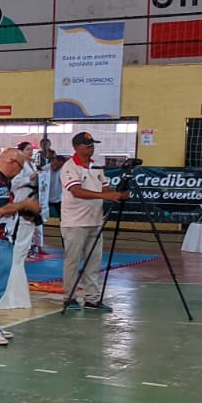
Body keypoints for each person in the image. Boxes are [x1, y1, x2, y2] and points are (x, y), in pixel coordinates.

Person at [0, 149, 40, 345]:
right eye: (19, 168)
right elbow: (2, 208)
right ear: (11, 162)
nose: (18, 173)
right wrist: (25, 204)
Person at [59, 132, 127, 312]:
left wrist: (117, 193)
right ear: (76, 147)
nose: (91, 148)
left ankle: (92, 298)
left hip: (95, 220)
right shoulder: (69, 167)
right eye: (87, 145)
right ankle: (70, 297)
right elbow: (76, 191)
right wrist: (106, 196)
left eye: (92, 145)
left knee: (94, 262)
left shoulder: (96, 166)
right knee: (72, 261)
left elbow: (104, 187)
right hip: (74, 222)